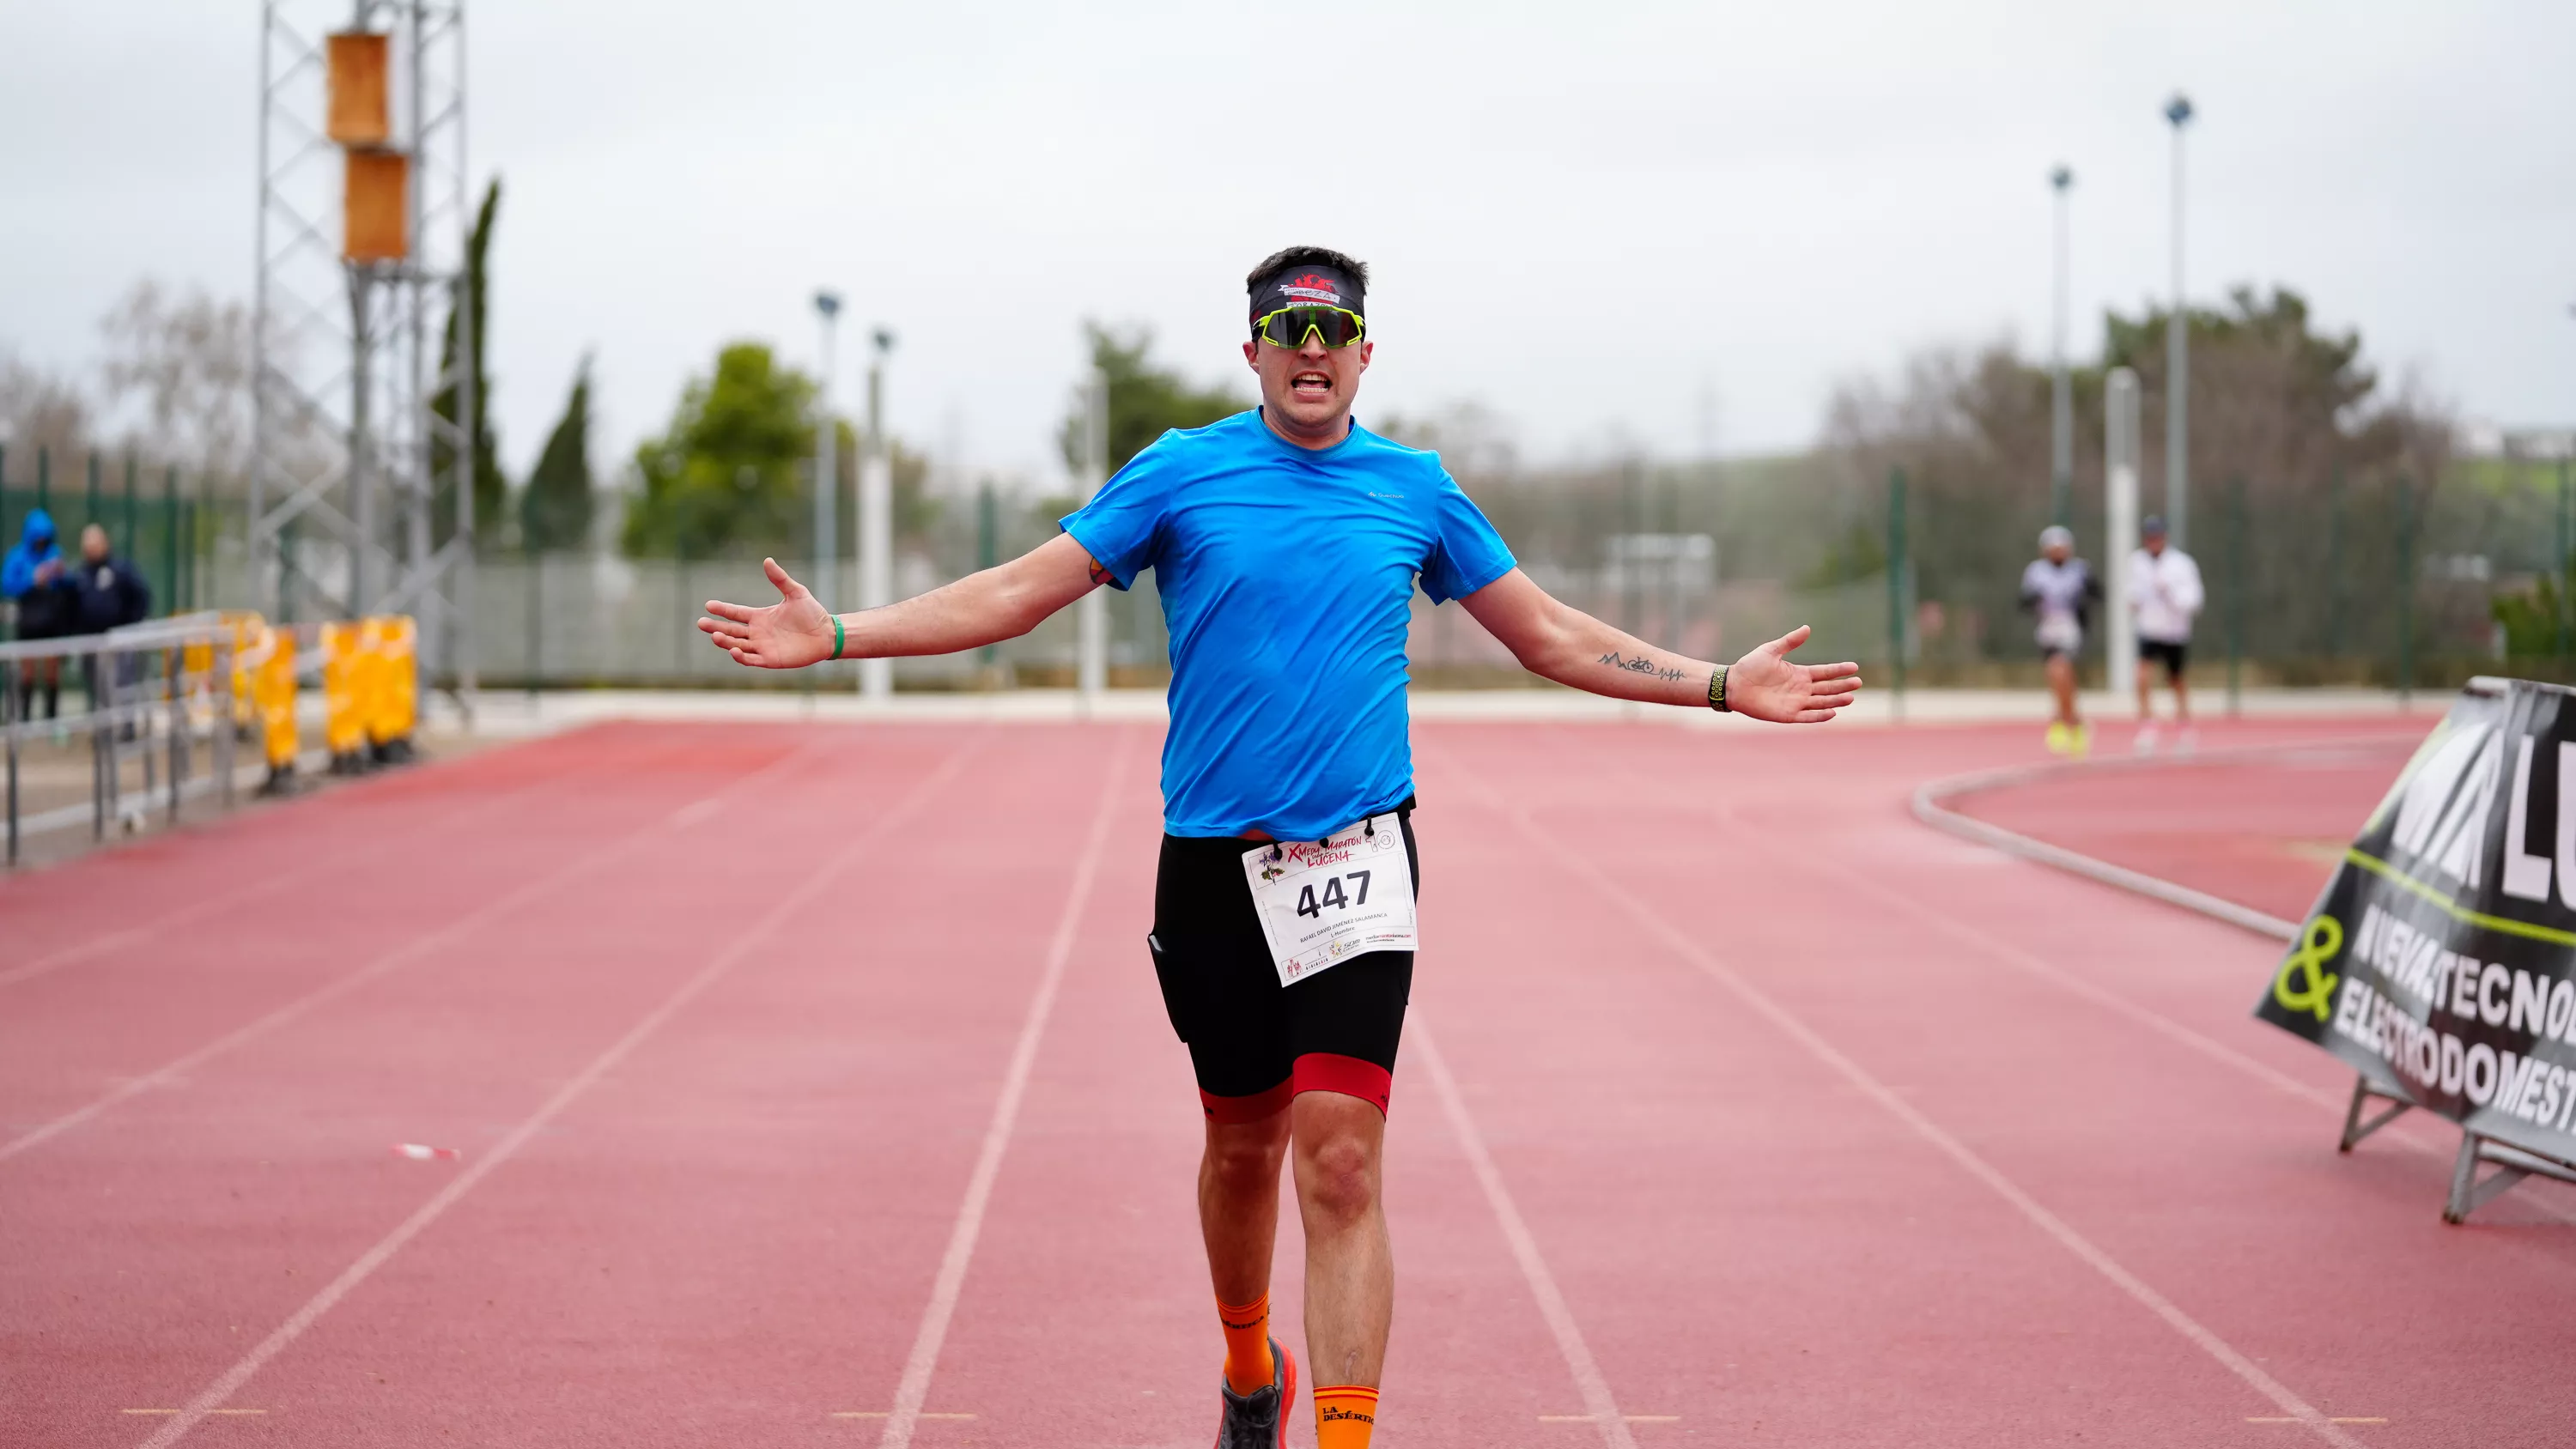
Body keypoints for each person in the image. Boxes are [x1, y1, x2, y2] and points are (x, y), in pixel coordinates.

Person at [699, 246, 1863, 1449]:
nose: (1313, 352)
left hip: (1360, 867)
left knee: (1342, 1161)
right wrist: (840, 634)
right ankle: (1252, 1368)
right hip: (1213, 870)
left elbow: (1552, 636)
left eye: (1335, 330)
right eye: (1289, 332)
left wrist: (1722, 683)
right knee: (1242, 1148)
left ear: (1366, 354)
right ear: (1254, 350)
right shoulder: (1181, 474)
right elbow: (1016, 592)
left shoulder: (1415, 488)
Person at [2019, 524, 2099, 758]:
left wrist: (2088, 593)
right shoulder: (2036, 572)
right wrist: (2031, 598)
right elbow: (2023, 602)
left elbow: (2098, 594)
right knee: (2058, 677)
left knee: (2060, 669)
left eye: (2061, 548)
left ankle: (2060, 720)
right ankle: (2072, 720)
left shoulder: (2080, 570)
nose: (2058, 552)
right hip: (2048, 628)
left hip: (2072, 628)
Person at [2129, 515, 2202, 755]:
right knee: (2141, 676)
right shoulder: (2137, 562)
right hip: (2149, 628)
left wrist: (2170, 593)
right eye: (2149, 536)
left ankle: (2184, 726)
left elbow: (2194, 600)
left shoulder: (2182, 564)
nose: (2153, 541)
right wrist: (2135, 600)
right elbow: (2130, 594)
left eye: (2157, 536)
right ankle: (2147, 726)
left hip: (2174, 631)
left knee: (2176, 680)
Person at [67, 524, 152, 730]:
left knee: (124, 683)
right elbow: (71, 606)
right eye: (87, 545)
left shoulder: (121, 569)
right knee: (98, 686)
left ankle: (127, 727)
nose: (91, 549)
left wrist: (131, 624)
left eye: (95, 544)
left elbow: (142, 595)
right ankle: (103, 729)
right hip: (92, 640)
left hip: (120, 638)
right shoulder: (80, 574)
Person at [2, 508, 70, 722]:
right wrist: (33, 580)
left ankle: (52, 719)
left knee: (52, 672)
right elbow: (7, 585)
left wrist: (60, 576)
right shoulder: (18, 556)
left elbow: (68, 584)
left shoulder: (55, 553)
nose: (42, 541)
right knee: (28, 671)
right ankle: (25, 719)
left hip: (52, 621)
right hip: (28, 621)